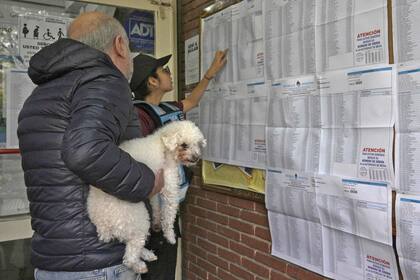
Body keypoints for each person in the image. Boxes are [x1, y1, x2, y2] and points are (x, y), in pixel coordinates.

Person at [17, 11, 164, 280]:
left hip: (54, 260)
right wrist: (148, 181)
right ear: (120, 44)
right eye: (129, 47)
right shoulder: (104, 80)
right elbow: (85, 152)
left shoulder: (43, 93)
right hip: (97, 260)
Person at [129, 50, 227, 280]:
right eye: (164, 71)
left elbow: (192, 101)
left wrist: (209, 75)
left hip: (170, 205)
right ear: (152, 81)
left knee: (165, 268)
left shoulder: (168, 108)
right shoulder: (138, 115)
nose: (170, 74)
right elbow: (140, 162)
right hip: (152, 211)